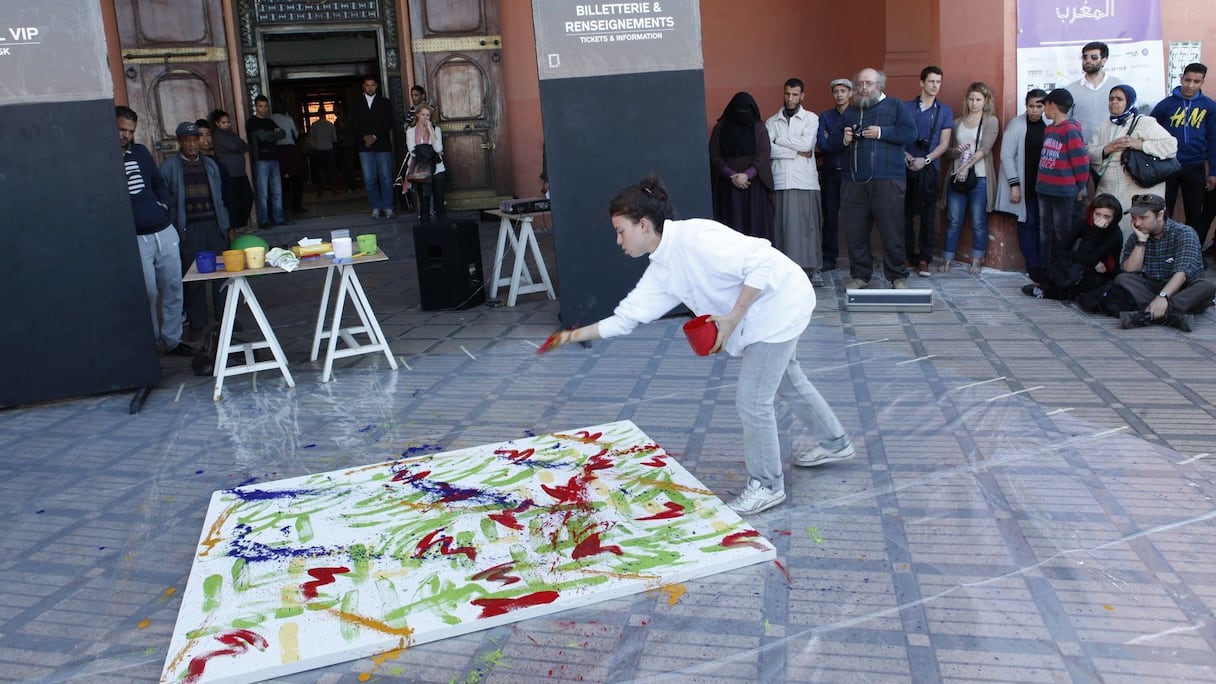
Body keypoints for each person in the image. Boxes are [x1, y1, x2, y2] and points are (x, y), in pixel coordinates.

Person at [543, 176, 853, 515]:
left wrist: (733, 318)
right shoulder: (662, 268)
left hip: (779, 305)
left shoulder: (697, 237)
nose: (618, 240)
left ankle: (767, 485)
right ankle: (835, 443)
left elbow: (762, 261)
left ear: (643, 225)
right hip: (763, 314)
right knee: (788, 381)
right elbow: (626, 318)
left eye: (620, 230)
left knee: (753, 400)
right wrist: (572, 335)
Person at [822, 67, 916, 289]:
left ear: (879, 85)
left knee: (891, 230)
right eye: (860, 84)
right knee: (855, 231)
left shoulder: (895, 106)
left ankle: (897, 276)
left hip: (888, 180)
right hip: (853, 181)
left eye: (869, 83)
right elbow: (831, 144)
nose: (864, 88)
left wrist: (882, 133)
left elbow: (910, 133)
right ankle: (861, 275)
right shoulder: (851, 112)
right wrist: (844, 139)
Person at [116, 106, 189, 356]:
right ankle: (150, 342)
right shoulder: (103, 158)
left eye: (130, 131)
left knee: (173, 287)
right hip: (136, 238)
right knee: (148, 291)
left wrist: (164, 204)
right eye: (121, 130)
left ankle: (173, 340)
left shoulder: (141, 152)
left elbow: (158, 182)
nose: (125, 135)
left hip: (163, 230)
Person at [161, 121, 231, 337]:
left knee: (222, 273)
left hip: (213, 224)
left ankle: (225, 320)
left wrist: (226, 225)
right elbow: (166, 200)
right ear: (180, 142)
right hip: (188, 228)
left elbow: (221, 197)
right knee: (193, 277)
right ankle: (198, 324)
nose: (192, 144)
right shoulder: (169, 167)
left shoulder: (210, 165)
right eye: (187, 140)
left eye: (195, 139)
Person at [1088, 85, 1178, 241]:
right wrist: (1108, 148)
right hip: (1108, 188)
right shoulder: (1104, 126)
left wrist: (1137, 145)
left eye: (1119, 99)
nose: (1114, 103)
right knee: (1105, 228)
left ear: (1129, 101)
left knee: (1134, 226)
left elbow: (1170, 146)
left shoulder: (1144, 123)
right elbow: (1089, 153)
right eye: (1111, 99)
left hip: (1137, 188)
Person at [1115, 193, 1215, 331]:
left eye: (1143, 218)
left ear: (1160, 215)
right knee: (1122, 279)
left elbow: (1182, 273)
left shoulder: (1184, 233)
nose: (1137, 223)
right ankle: (1170, 316)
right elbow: (1129, 271)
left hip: (1182, 289)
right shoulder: (1137, 236)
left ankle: (1148, 315)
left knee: (1206, 286)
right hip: (1153, 287)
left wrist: (1163, 297)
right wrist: (1141, 241)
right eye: (1134, 218)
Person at [1151, 62, 1216, 245]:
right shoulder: (1165, 105)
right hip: (1168, 165)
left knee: (1194, 214)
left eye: (1196, 81)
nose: (1191, 85)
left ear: (1202, 82)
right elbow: (1151, 132)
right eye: (1187, 80)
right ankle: (1164, 250)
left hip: (1195, 167)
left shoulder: (1209, 107)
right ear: (1181, 79)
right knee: (1165, 211)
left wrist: (1213, 172)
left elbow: (1213, 140)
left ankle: (1191, 252)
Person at [940, 82, 999, 275]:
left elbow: (985, 149)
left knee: (978, 221)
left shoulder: (991, 121)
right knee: (953, 220)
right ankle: (947, 259)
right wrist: (957, 152)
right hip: (957, 177)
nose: (974, 103)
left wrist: (966, 166)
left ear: (986, 101)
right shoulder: (958, 122)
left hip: (979, 177)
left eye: (978, 100)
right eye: (971, 99)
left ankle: (976, 259)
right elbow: (948, 152)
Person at [766, 78, 823, 276]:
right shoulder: (772, 121)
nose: (790, 99)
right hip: (781, 179)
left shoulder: (812, 119)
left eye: (795, 95)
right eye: (787, 94)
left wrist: (779, 140)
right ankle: (785, 271)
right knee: (783, 229)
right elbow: (769, 150)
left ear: (802, 96)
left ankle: (808, 270)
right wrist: (794, 151)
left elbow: (807, 145)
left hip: (805, 180)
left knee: (807, 229)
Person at [1024, 193, 1123, 301]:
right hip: (1085, 264)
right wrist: (1092, 262)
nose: (1100, 220)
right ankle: (1050, 287)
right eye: (1097, 214)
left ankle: (1047, 290)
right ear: (1092, 213)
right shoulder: (1084, 224)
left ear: (1114, 218)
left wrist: (1096, 231)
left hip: (1102, 274)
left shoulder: (1115, 235)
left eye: (1106, 216)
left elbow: (1084, 258)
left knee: (1080, 273)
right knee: (1050, 265)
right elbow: (1059, 249)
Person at [903, 66, 954, 277]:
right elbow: (897, 136)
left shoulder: (945, 111)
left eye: (938, 82)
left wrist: (924, 160)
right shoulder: (906, 107)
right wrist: (905, 155)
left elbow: (944, 144)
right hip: (905, 166)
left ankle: (924, 259)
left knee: (928, 216)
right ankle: (907, 255)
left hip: (929, 168)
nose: (935, 86)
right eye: (931, 81)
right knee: (904, 214)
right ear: (922, 82)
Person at [709, 91, 775, 241]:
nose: (742, 115)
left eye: (746, 111)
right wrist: (731, 175)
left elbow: (763, 154)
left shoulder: (759, 128)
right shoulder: (720, 128)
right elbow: (715, 155)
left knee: (756, 229)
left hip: (755, 187)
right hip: (729, 189)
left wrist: (748, 174)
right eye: (739, 110)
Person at [996, 89, 1049, 272]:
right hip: (1024, 185)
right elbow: (1006, 155)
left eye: (1038, 106)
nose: (1034, 110)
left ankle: (1043, 264)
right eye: (1030, 106)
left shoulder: (1049, 124)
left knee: (1044, 226)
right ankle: (1032, 266)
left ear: (1045, 107)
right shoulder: (1016, 124)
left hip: (1044, 186)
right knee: (1028, 223)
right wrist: (1014, 185)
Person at [1037, 88, 1089, 265]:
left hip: (1063, 191)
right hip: (1044, 188)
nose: (1044, 110)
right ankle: (1045, 269)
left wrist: (1081, 186)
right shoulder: (1049, 129)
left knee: (1062, 233)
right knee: (1045, 231)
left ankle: (1063, 269)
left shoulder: (1070, 130)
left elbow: (1081, 162)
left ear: (1052, 105)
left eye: (1045, 106)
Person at [817, 78, 852, 273]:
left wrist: (834, 141)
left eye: (843, 91)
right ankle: (829, 257)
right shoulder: (825, 117)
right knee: (829, 217)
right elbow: (822, 144)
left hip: (852, 173)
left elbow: (858, 144)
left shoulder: (857, 114)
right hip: (830, 172)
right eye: (836, 91)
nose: (839, 94)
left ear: (850, 94)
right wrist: (844, 142)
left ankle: (858, 257)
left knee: (856, 217)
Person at [353, 75, 398, 219]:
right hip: (364, 146)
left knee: (386, 178)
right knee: (369, 179)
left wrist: (375, 136)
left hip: (382, 145)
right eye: (367, 85)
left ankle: (388, 207)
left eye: (372, 85)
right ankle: (376, 207)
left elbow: (389, 122)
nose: (370, 88)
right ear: (363, 86)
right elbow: (354, 123)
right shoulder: (357, 103)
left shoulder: (385, 102)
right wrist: (365, 137)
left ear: (377, 86)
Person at [1065, 41, 1124, 145]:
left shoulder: (1118, 86)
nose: (1088, 61)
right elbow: (1064, 122)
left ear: (1104, 60)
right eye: (1085, 57)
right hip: (1080, 151)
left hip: (1113, 151)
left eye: (1094, 57)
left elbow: (1127, 118)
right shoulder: (1070, 90)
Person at [245, 95, 286, 229]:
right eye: (260, 106)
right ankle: (263, 220)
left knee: (277, 191)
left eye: (265, 106)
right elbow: (263, 137)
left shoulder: (270, 121)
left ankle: (278, 218)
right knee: (263, 193)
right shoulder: (252, 122)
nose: (263, 109)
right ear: (256, 106)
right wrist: (273, 134)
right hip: (261, 160)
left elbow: (283, 134)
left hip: (274, 158)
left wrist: (270, 135)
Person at [210, 109, 254, 230]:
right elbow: (235, 145)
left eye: (228, 122)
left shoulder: (231, 134)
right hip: (230, 174)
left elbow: (245, 146)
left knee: (247, 197)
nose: (227, 124)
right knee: (236, 201)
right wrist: (238, 146)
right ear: (217, 123)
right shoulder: (218, 136)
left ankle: (242, 224)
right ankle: (237, 226)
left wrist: (238, 146)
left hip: (240, 173)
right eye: (223, 122)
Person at [406, 104, 448, 223]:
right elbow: (412, 151)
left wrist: (430, 130)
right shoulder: (410, 131)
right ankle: (425, 230)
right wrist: (431, 151)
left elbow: (439, 148)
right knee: (424, 202)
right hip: (421, 171)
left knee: (439, 201)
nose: (425, 118)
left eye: (428, 115)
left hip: (437, 168)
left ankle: (442, 228)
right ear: (418, 115)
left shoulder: (436, 129)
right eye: (423, 114)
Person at [272, 106, 306, 215]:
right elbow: (295, 134)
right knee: (296, 179)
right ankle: (296, 206)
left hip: (277, 150)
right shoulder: (288, 119)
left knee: (281, 180)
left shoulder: (270, 119)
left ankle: (282, 207)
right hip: (290, 150)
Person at [308, 115, 338, 194]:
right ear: (325, 115)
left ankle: (320, 190)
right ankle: (333, 189)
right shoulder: (330, 125)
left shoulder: (314, 125)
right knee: (331, 170)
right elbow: (334, 139)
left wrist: (314, 146)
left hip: (319, 150)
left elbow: (311, 138)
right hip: (329, 149)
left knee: (319, 171)